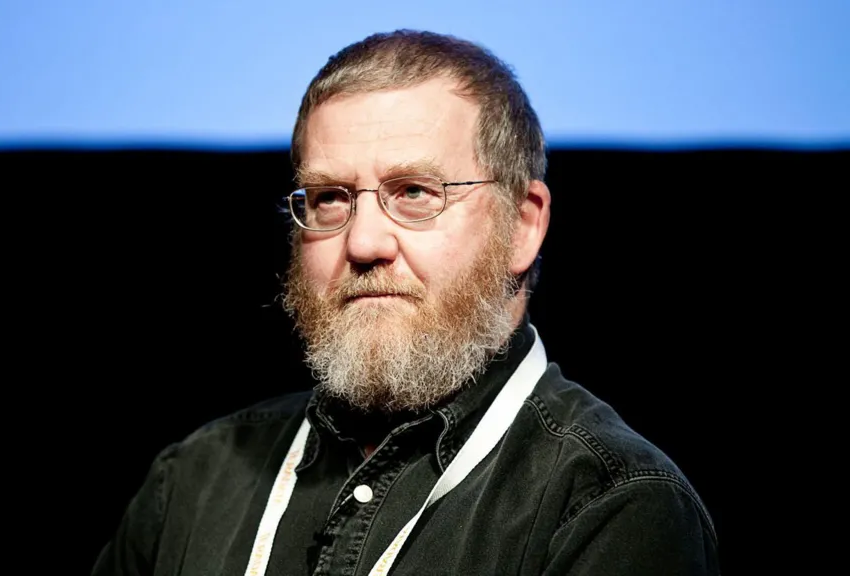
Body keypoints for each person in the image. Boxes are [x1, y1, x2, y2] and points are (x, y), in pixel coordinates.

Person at [92, 30, 719, 575]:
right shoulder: (192, 484)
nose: (363, 242)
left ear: (522, 226)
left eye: (415, 192)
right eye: (330, 197)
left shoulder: (610, 505)